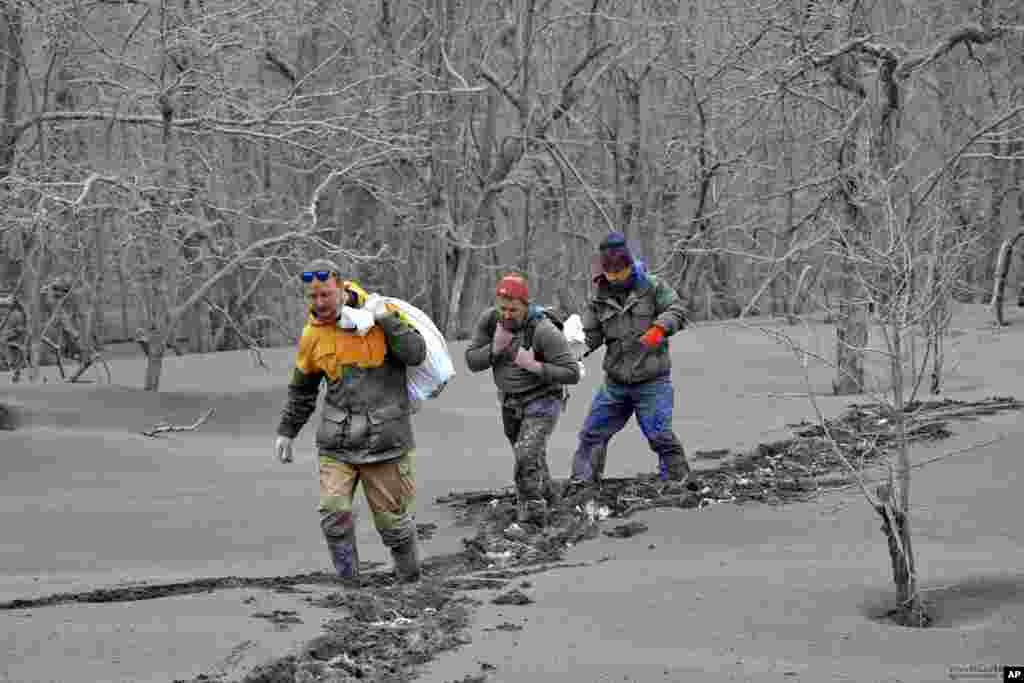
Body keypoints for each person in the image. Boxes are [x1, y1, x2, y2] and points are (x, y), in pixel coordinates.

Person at [273, 259, 427, 582]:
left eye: (325, 295)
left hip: (386, 443)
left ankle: (411, 583)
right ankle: (350, 587)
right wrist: (287, 432)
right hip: (337, 443)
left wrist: (386, 320)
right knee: (334, 517)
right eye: (312, 297)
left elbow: (416, 353)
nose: (319, 303)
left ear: (342, 290)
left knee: (393, 525)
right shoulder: (312, 336)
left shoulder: (380, 317)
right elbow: (302, 390)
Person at [569, 232, 691, 490]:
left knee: (660, 434)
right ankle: (583, 482)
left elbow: (678, 310)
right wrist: (576, 349)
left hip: (652, 379)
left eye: (620, 271)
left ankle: (678, 481)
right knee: (592, 434)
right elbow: (592, 335)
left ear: (629, 265)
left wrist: (659, 329)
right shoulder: (598, 299)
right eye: (610, 273)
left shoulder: (653, 287)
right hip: (615, 383)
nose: (615, 277)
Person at [465, 273, 581, 528]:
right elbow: (472, 361)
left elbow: (572, 373)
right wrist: (494, 349)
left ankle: (532, 520)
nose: (507, 315)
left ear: (526, 305)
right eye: (502, 308)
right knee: (533, 457)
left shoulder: (543, 330)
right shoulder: (491, 320)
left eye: (513, 310)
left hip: (543, 398)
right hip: (510, 402)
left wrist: (534, 366)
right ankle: (553, 501)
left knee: (526, 456)